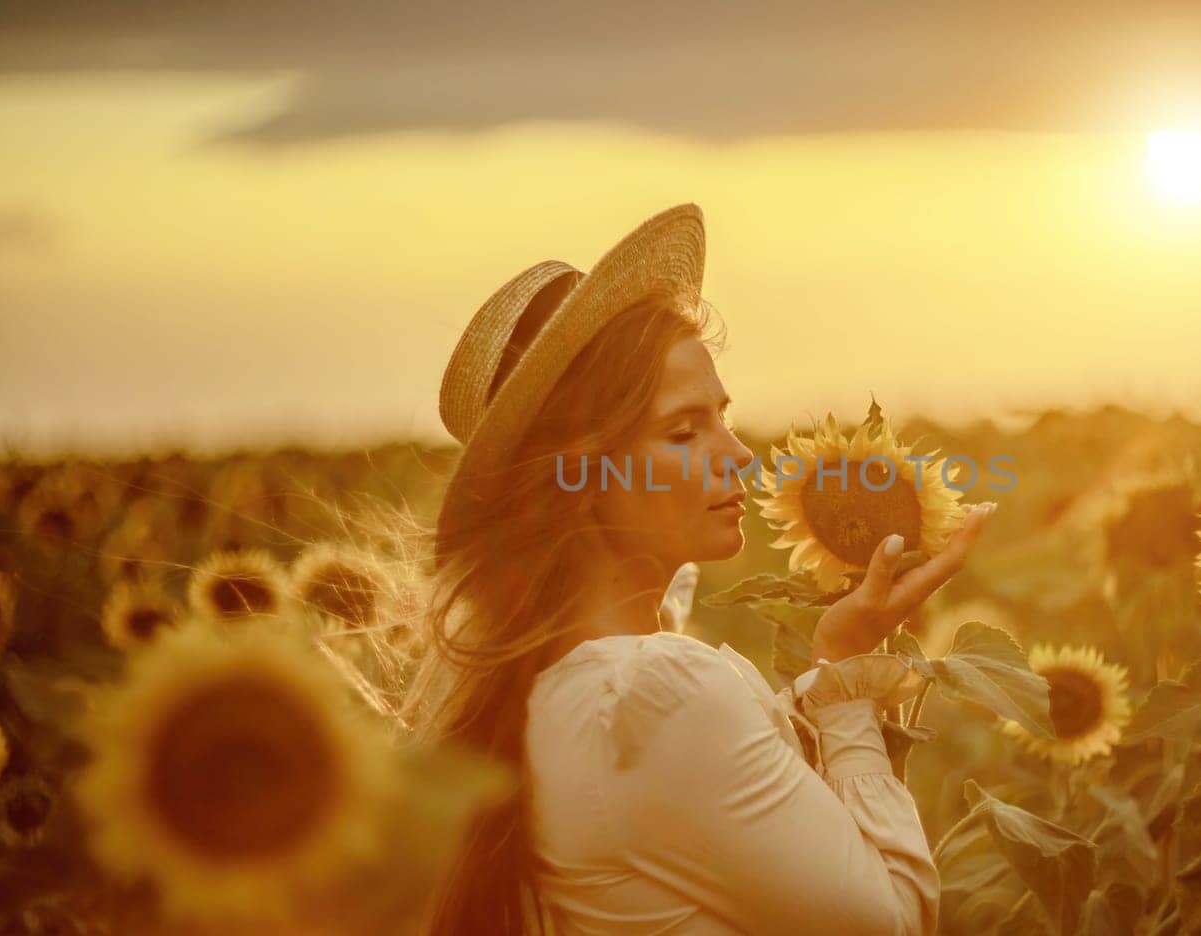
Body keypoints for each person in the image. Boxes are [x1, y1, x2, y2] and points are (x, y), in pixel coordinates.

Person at [399, 203, 997, 935]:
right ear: (579, 476)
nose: (737, 453)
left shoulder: (551, 693)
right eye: (684, 431)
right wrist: (846, 685)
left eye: (724, 415)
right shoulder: (659, 698)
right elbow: (894, 923)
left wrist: (845, 653)